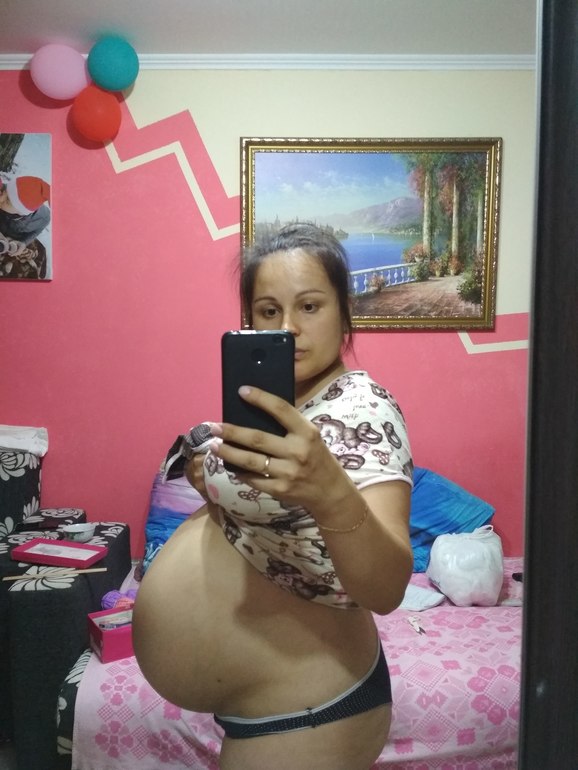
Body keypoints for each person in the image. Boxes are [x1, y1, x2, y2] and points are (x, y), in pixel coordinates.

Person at [132, 222, 414, 770]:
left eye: (309, 306)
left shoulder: (363, 407)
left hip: (309, 705)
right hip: (269, 695)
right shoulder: (274, 405)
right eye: (268, 311)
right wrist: (211, 484)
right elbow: (270, 520)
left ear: (344, 313)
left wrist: (331, 492)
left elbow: (387, 589)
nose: (288, 328)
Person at [0, 175, 51, 277]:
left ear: (21, 212)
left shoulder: (42, 218)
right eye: (4, 192)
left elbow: (35, 232)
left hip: (15, 239)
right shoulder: (2, 191)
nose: (1, 199)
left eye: (7, 201)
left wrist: (24, 242)